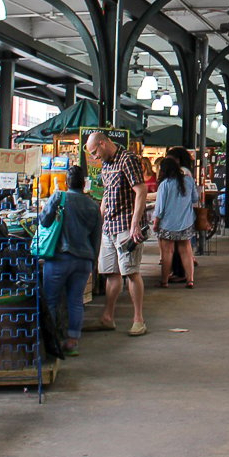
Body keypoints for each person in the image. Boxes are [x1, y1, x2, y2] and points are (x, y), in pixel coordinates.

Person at [84, 131, 148, 337]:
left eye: (95, 152)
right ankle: (107, 318)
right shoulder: (106, 164)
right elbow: (106, 194)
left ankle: (138, 319)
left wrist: (135, 224)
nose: (94, 157)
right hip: (109, 227)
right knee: (111, 273)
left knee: (131, 272)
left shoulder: (127, 159)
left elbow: (141, 191)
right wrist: (99, 221)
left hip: (126, 227)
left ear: (103, 143)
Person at [39, 165, 101, 356]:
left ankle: (51, 340)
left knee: (50, 299)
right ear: (84, 183)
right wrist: (94, 263)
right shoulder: (93, 206)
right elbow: (96, 237)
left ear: (67, 182)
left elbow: (44, 221)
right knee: (75, 301)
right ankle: (72, 342)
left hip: (59, 259)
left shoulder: (59, 197)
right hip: (84, 260)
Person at [153, 155, 199, 289]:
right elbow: (195, 198)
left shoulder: (165, 184)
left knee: (168, 252)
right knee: (186, 250)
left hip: (168, 224)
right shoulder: (189, 181)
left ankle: (164, 281)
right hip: (186, 222)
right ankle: (190, 280)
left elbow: (160, 208)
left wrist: (156, 223)